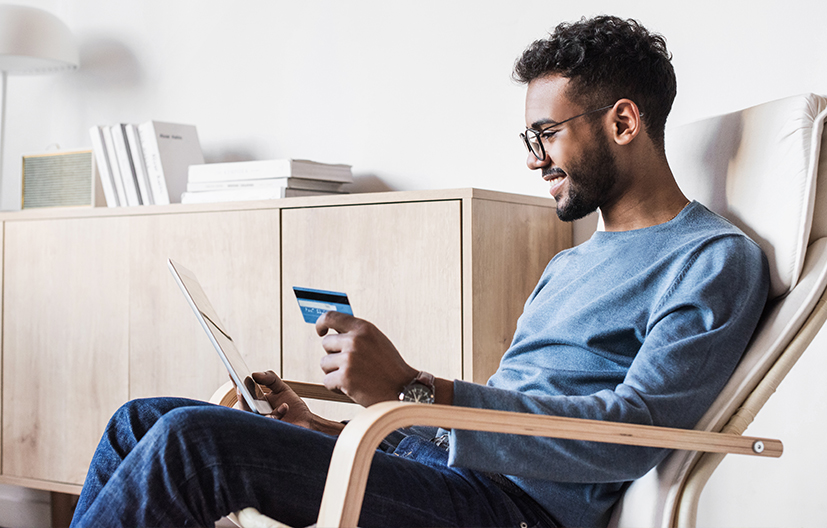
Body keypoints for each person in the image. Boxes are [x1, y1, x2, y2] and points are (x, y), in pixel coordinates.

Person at [70, 15, 769, 528]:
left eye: (546, 133)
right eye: (528, 138)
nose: (532, 159)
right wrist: (316, 427)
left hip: (515, 512)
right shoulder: (571, 263)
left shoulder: (708, 260)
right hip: (458, 480)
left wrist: (411, 387)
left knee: (195, 445)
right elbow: (476, 432)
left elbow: (629, 432)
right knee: (144, 421)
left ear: (622, 122)